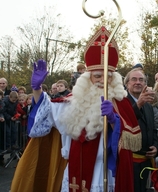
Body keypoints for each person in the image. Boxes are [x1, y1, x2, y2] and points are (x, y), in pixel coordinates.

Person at [10, 26, 142, 192]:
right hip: (73, 171)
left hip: (104, 173)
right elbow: (46, 115)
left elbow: (130, 141)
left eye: (107, 76)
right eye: (97, 76)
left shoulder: (120, 103)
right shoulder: (71, 102)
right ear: (87, 78)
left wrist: (115, 121)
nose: (102, 80)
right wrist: (37, 89)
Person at [124, 68, 158, 192]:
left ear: (145, 84)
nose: (138, 82)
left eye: (141, 80)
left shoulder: (149, 105)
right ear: (127, 83)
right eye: (134, 79)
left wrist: (156, 146)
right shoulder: (121, 103)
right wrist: (138, 104)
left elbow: (153, 129)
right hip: (129, 163)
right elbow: (124, 124)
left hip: (147, 162)